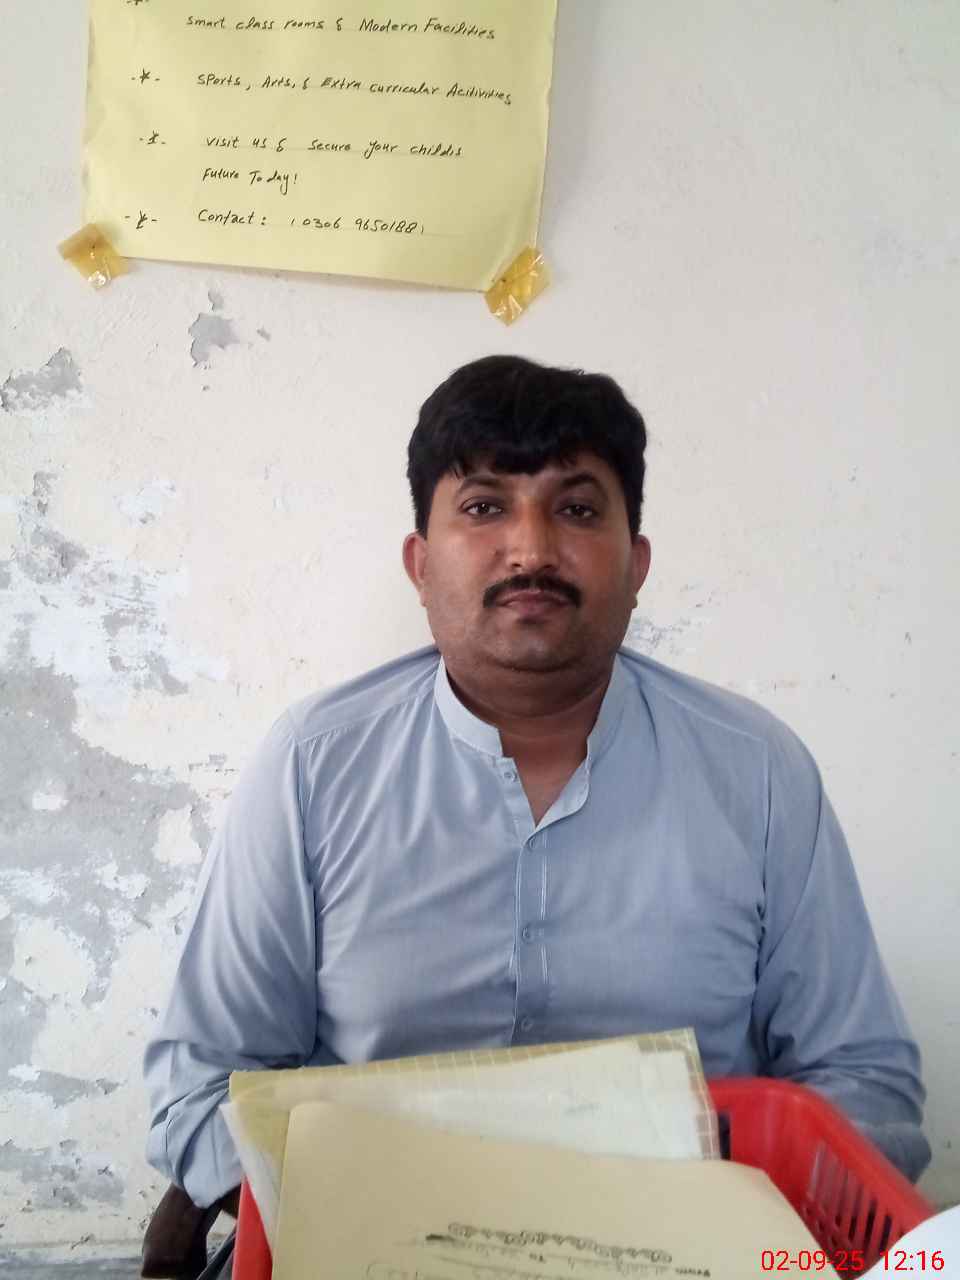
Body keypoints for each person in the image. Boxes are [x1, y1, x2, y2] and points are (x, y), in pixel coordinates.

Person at [144, 354, 930, 1222]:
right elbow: (200, 1085)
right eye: (484, 507)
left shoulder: (759, 771)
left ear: (636, 563)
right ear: (419, 563)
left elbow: (864, 1085)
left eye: (577, 509)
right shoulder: (312, 765)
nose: (531, 550)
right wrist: (332, 1216)